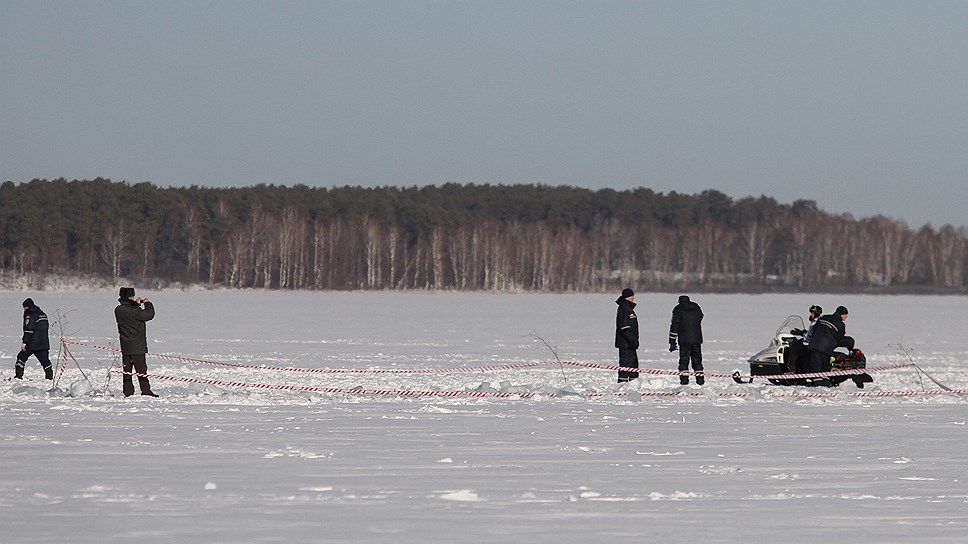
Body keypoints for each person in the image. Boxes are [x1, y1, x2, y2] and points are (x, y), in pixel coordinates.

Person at [115, 287, 158, 397]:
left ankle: (128, 392)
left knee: (127, 370)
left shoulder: (118, 310)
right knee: (141, 370)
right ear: (130, 297)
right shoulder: (135, 311)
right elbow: (149, 315)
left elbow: (130, 312)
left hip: (125, 345)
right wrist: (147, 303)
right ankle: (146, 391)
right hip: (137, 346)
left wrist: (136, 304)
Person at [805, 305, 850, 386]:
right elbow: (839, 338)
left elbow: (814, 330)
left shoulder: (824, 317)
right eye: (846, 315)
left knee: (815, 367)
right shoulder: (841, 324)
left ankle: (816, 383)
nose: (846, 317)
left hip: (814, 346)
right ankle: (822, 385)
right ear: (842, 314)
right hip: (826, 349)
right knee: (824, 369)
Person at [669, 295, 704, 385]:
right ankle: (700, 381)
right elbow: (701, 316)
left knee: (684, 360)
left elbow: (675, 325)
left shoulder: (678, 309)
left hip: (684, 339)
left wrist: (672, 340)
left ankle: (684, 381)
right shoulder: (696, 307)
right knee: (697, 359)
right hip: (697, 339)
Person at [15, 298, 52, 380]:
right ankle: (49, 378)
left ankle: (18, 376)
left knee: (21, 357)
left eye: (24, 307)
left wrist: (25, 342)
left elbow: (29, 329)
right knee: (45, 361)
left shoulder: (30, 314)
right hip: (44, 342)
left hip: (32, 343)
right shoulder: (42, 313)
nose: (24, 309)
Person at [614, 288, 639, 383]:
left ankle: (633, 382)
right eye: (632, 296)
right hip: (625, 343)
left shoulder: (628, 308)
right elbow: (624, 327)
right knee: (625, 363)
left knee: (633, 363)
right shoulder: (624, 308)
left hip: (630, 343)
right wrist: (631, 340)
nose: (634, 298)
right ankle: (622, 384)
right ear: (628, 297)